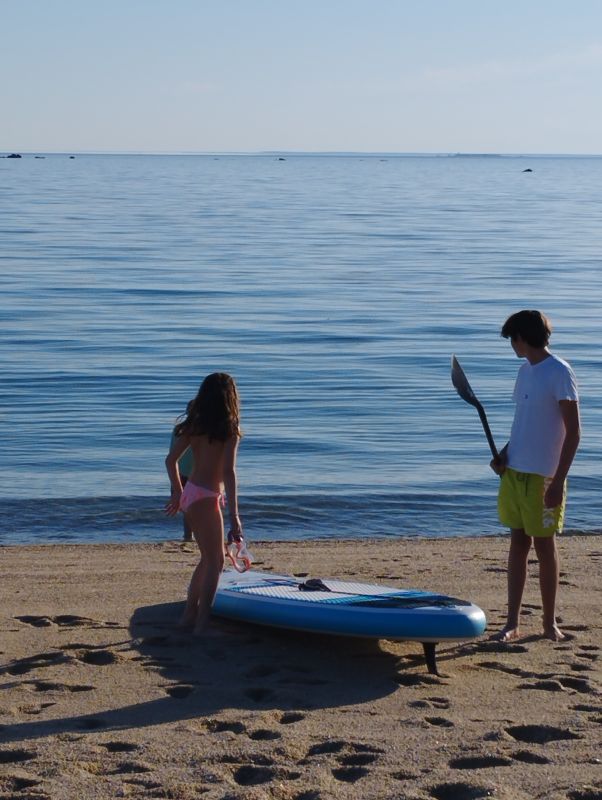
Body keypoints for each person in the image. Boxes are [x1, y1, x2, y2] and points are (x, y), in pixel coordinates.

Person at [490, 310, 580, 642]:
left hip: (544, 476)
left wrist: (557, 481)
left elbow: (573, 433)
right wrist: (504, 453)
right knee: (517, 544)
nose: (511, 346)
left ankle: (548, 624)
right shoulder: (524, 371)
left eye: (511, 339)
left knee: (544, 546)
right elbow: (524, 423)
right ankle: (512, 623)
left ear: (522, 338)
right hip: (515, 473)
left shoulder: (560, 372)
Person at [165, 373, 242, 636]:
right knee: (216, 561)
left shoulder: (195, 427)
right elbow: (229, 473)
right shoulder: (230, 430)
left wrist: (178, 492)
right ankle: (202, 623)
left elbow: (170, 461)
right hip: (207, 497)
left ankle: (189, 616)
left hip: (193, 493)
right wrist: (236, 516)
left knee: (207, 559)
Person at [169, 403, 195, 541]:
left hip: (180, 471)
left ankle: (188, 535)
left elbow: (171, 453)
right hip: (191, 473)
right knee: (190, 508)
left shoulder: (179, 429)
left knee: (187, 508)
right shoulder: (195, 431)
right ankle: (189, 535)